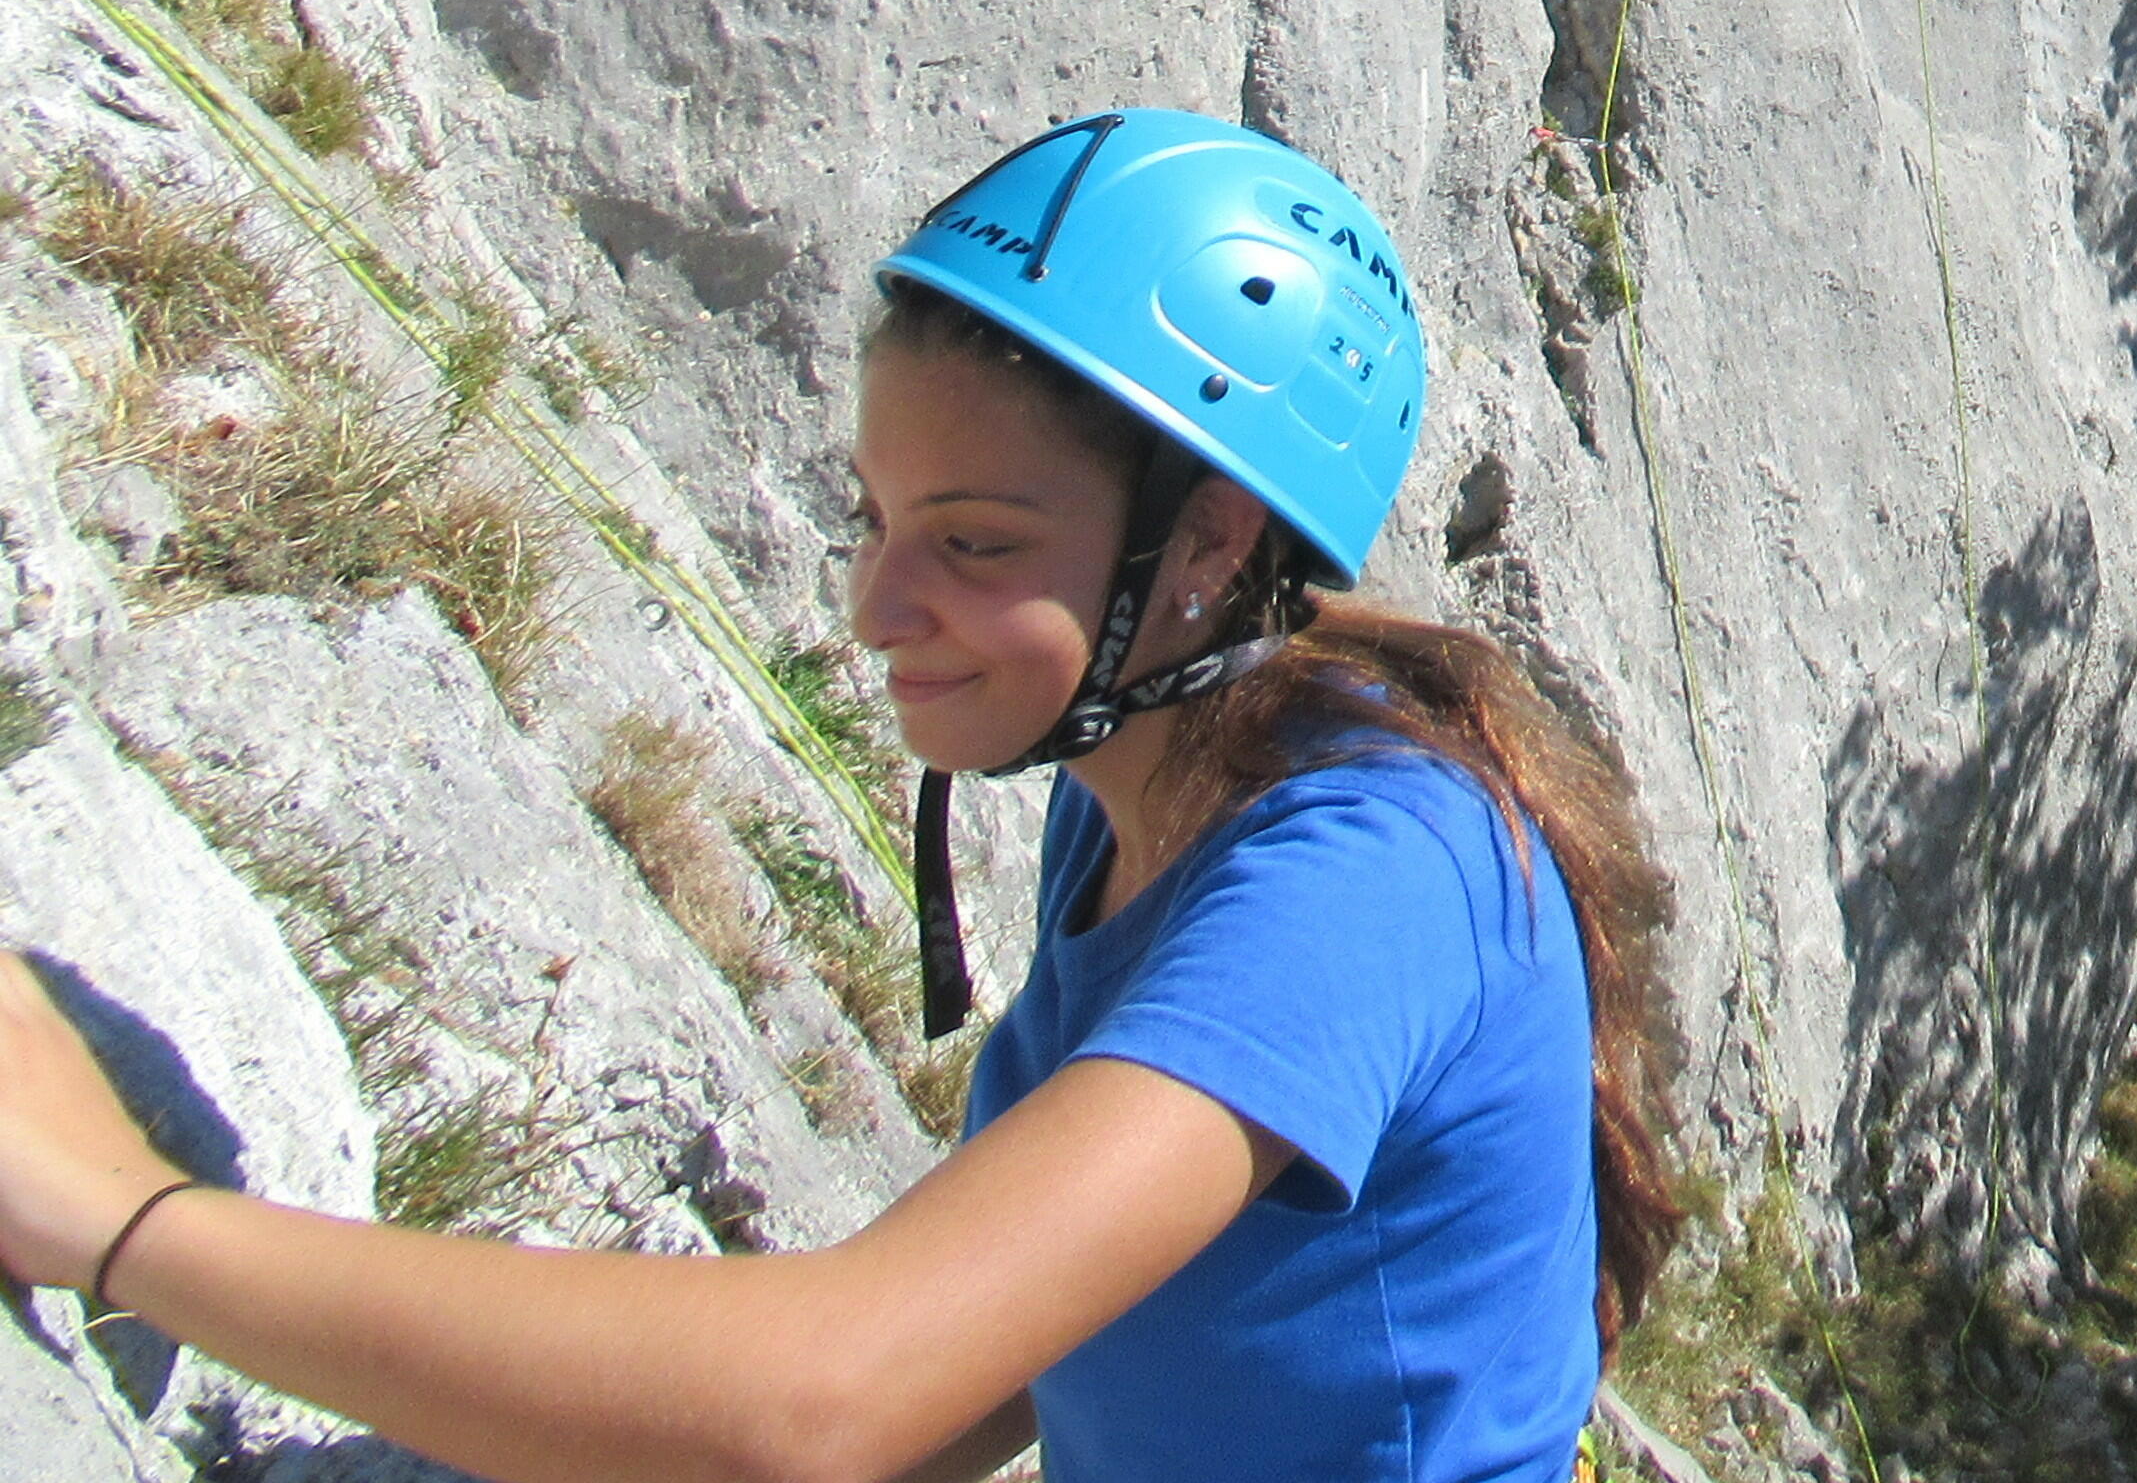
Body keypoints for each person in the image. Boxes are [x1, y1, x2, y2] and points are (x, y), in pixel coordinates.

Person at [0, 109, 1683, 1483]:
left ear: (1209, 544)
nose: (877, 608)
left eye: (973, 543)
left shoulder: (1371, 877)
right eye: (877, 519)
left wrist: (125, 1222)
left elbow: (829, 1402)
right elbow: (977, 1370)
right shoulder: (1136, 797)